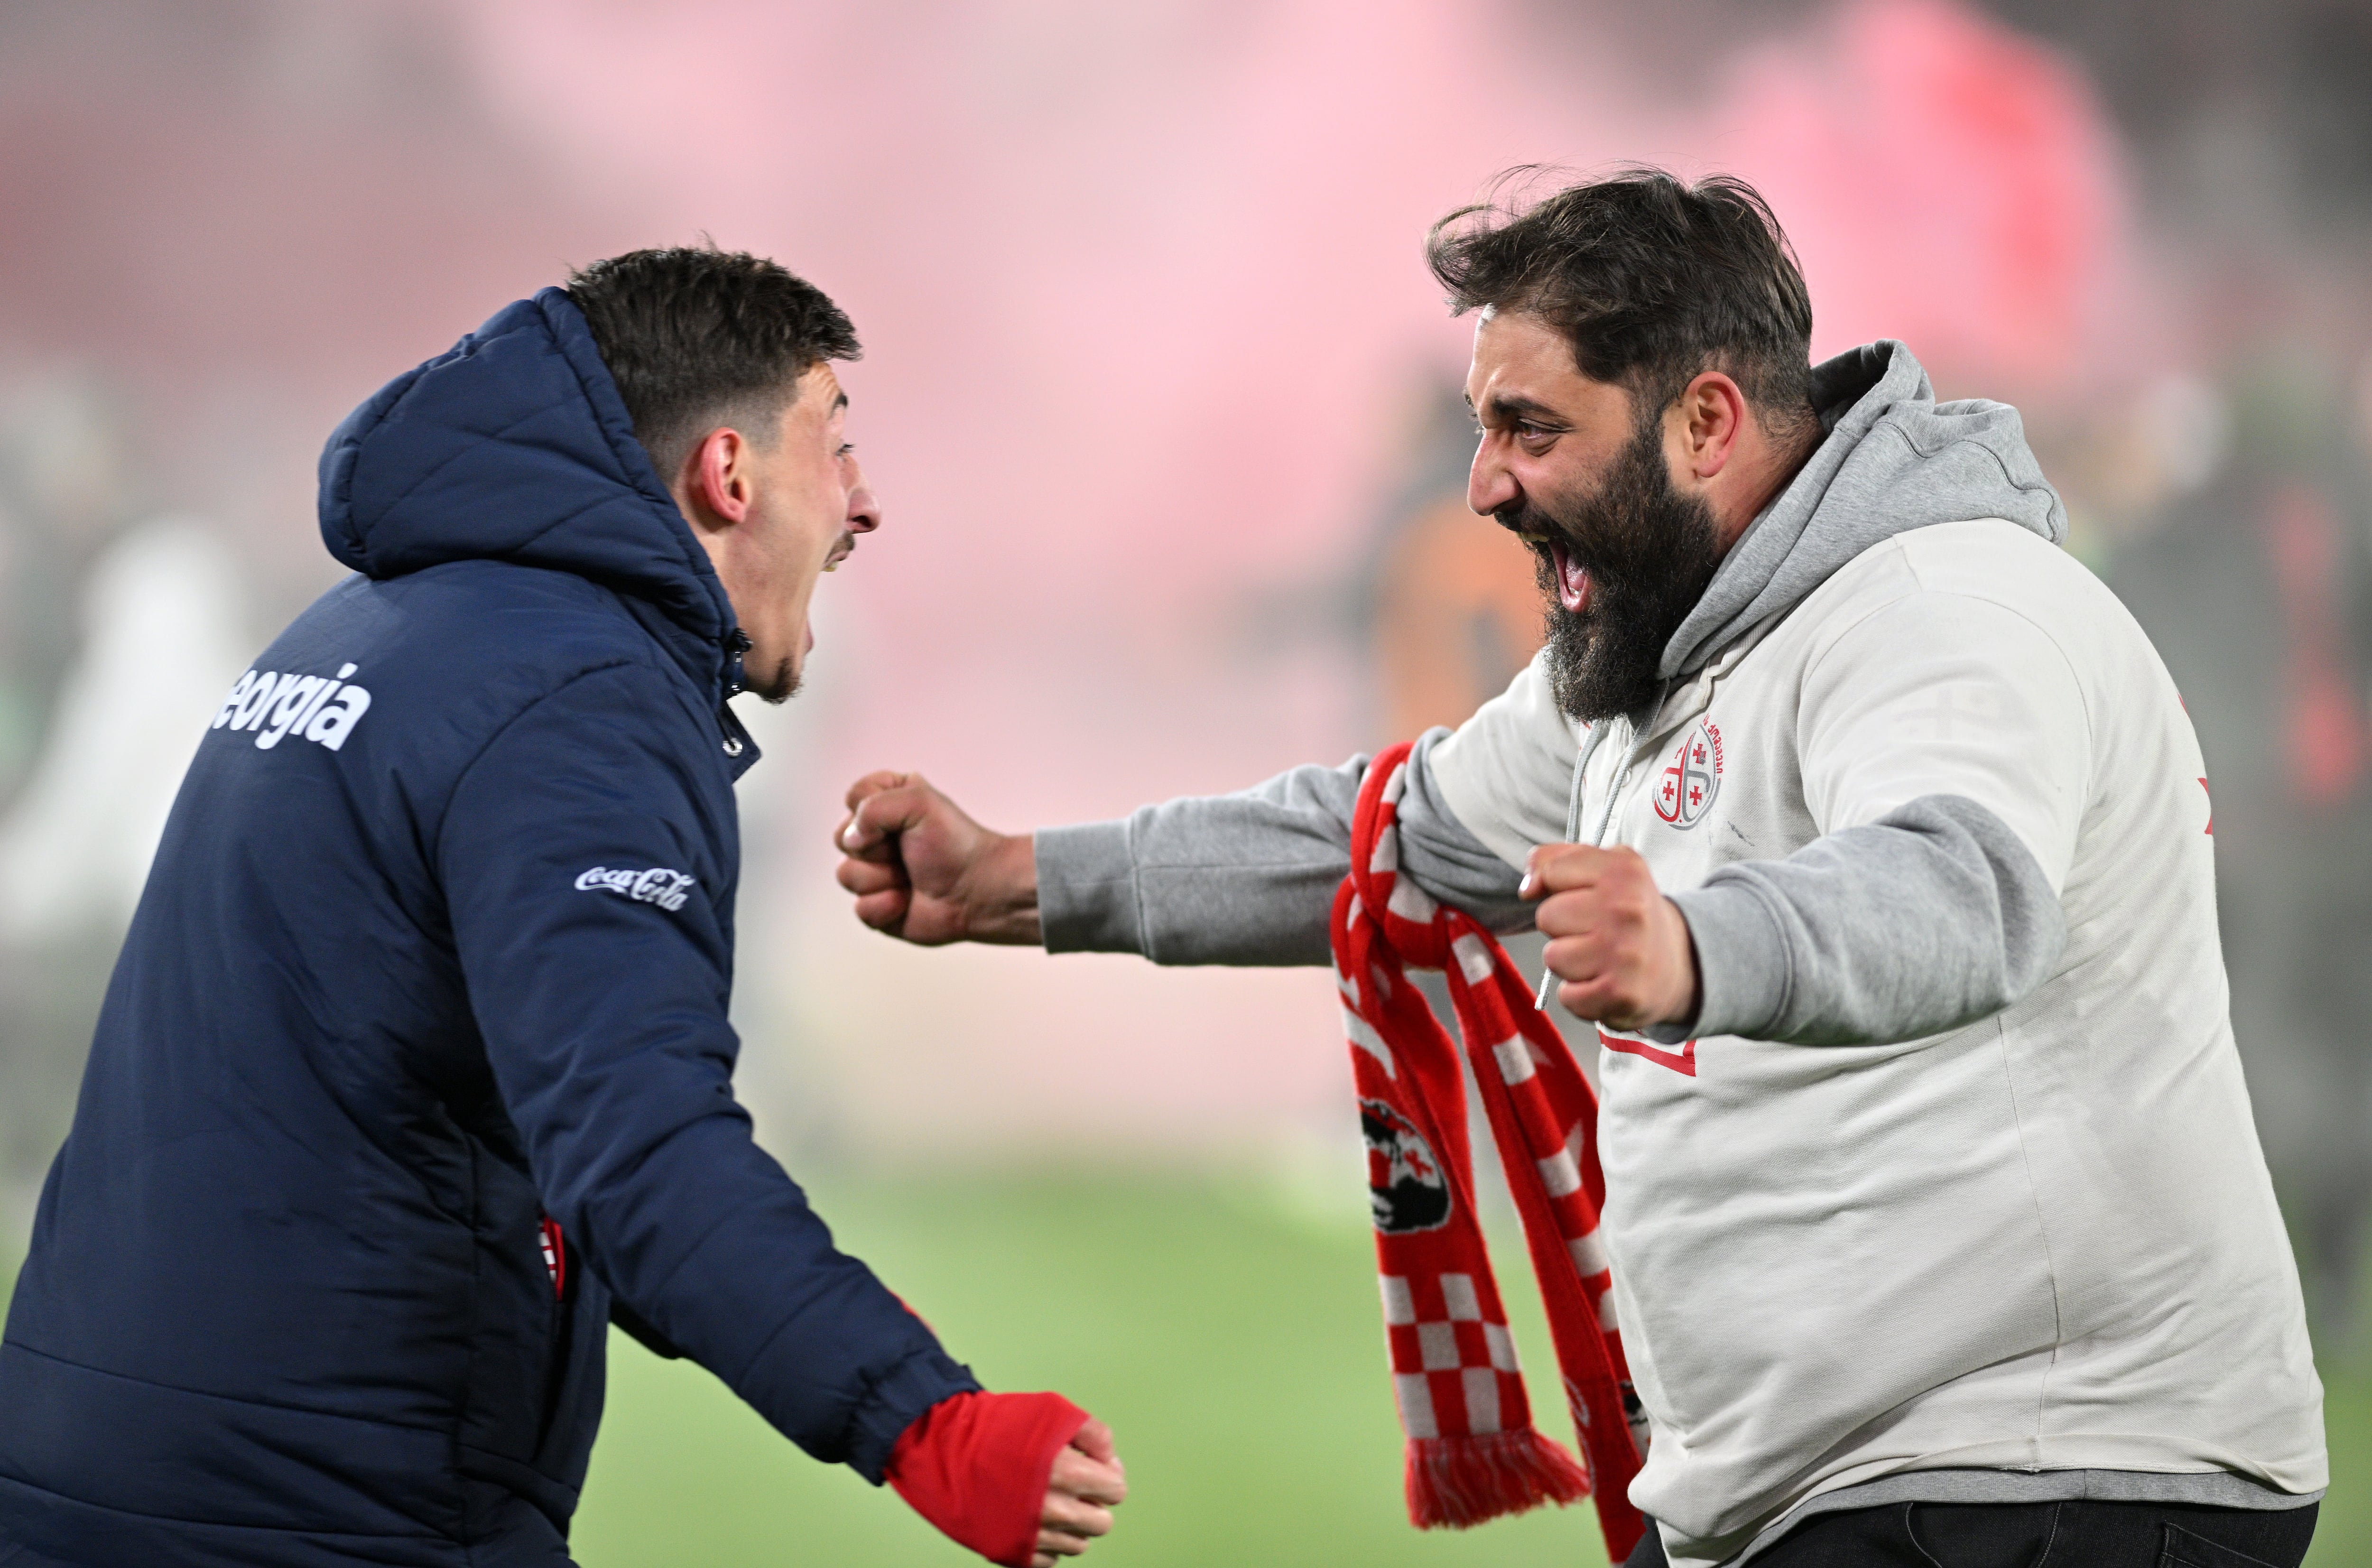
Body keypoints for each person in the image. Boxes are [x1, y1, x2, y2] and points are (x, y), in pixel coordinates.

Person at [833, 172, 2327, 1568]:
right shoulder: (1661, 651)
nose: (1481, 485)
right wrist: (1016, 881)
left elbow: (1957, 894)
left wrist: (1691, 943)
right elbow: (1385, 844)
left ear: (1705, 421)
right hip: (1870, 1490)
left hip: (2046, 1481)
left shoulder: (1941, 603)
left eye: (1532, 429)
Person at [0, 250, 1125, 1568]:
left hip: (87, 1465)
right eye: (838, 442)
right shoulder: (579, 696)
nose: (865, 504)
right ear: (730, 474)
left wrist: (812, 1305)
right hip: (326, 1505)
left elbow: (475, 1121)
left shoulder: (361, 629)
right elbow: (637, 1151)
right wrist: (925, 1418)